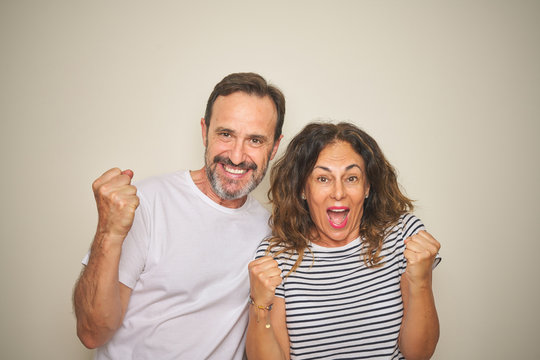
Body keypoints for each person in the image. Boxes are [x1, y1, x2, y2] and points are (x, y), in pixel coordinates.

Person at [73, 72, 285, 359]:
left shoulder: (270, 233)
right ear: (204, 131)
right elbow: (92, 332)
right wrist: (108, 234)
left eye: (255, 140)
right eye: (226, 134)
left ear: (274, 147)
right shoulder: (147, 203)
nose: (236, 156)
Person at [247, 122, 441, 360]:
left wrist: (420, 282)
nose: (338, 193)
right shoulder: (275, 256)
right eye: (322, 179)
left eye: (351, 178)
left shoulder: (402, 235)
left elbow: (419, 355)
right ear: (302, 189)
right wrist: (260, 305)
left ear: (367, 186)